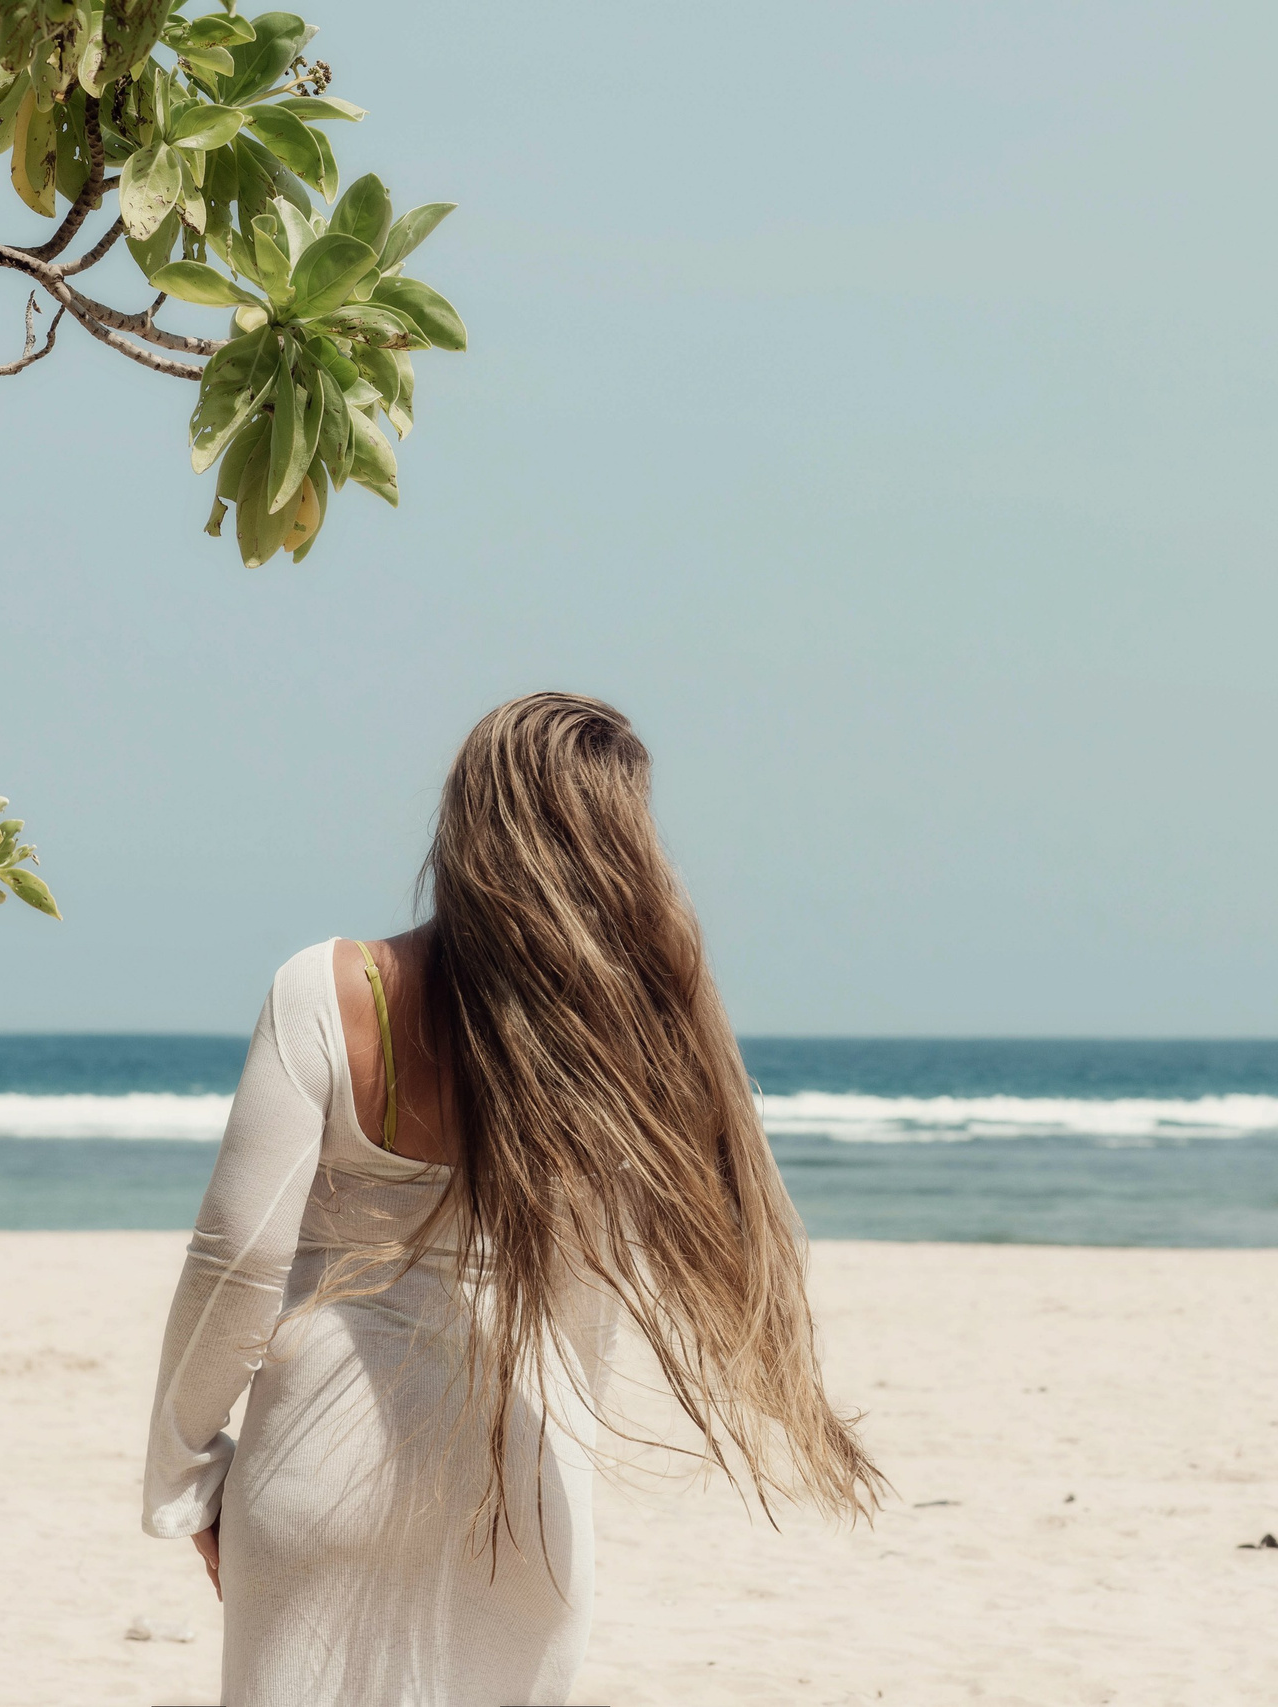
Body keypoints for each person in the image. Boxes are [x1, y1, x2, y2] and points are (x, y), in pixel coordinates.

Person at [140, 691, 884, 1706]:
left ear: (463, 819)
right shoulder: (638, 1032)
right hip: (526, 1485)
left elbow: (237, 1258)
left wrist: (182, 1475)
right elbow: (595, 1304)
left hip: (320, 1455)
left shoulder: (330, 988)